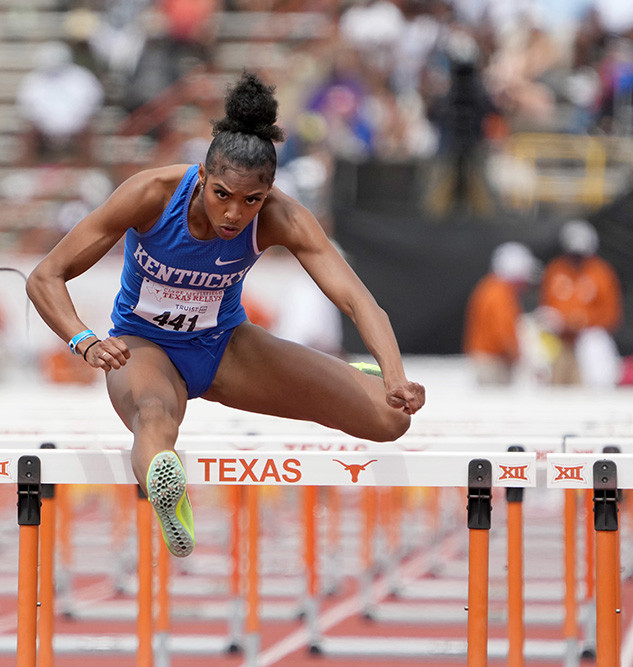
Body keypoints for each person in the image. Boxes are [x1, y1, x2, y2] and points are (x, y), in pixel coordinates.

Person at [26, 72, 425, 558]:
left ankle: (354, 378)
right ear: (200, 176)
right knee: (154, 417)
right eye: (222, 194)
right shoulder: (150, 195)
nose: (235, 214)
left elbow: (358, 300)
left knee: (390, 421)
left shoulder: (283, 217)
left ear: (269, 192)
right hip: (143, 348)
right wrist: (83, 339)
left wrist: (394, 375)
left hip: (227, 348)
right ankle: (166, 494)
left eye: (251, 200)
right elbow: (45, 276)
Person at [538, 218, 622, 387]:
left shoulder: (601, 273)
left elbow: (611, 314)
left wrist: (582, 322)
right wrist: (555, 321)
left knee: (589, 386)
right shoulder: (556, 270)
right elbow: (547, 305)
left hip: (589, 342)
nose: (576, 260)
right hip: (560, 342)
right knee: (555, 387)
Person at [463, 242, 538, 386]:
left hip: (488, 358)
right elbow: (503, 332)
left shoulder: (490, 287)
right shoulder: (499, 293)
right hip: (493, 362)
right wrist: (519, 357)